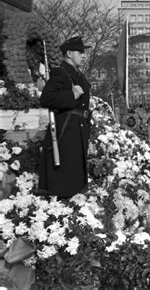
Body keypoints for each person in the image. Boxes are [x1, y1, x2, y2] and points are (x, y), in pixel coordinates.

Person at [38, 36, 91, 198]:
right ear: (69, 53)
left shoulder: (78, 74)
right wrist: (71, 95)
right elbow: (46, 99)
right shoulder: (60, 73)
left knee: (75, 173)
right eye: (80, 52)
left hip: (78, 130)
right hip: (66, 131)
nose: (84, 55)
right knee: (65, 177)